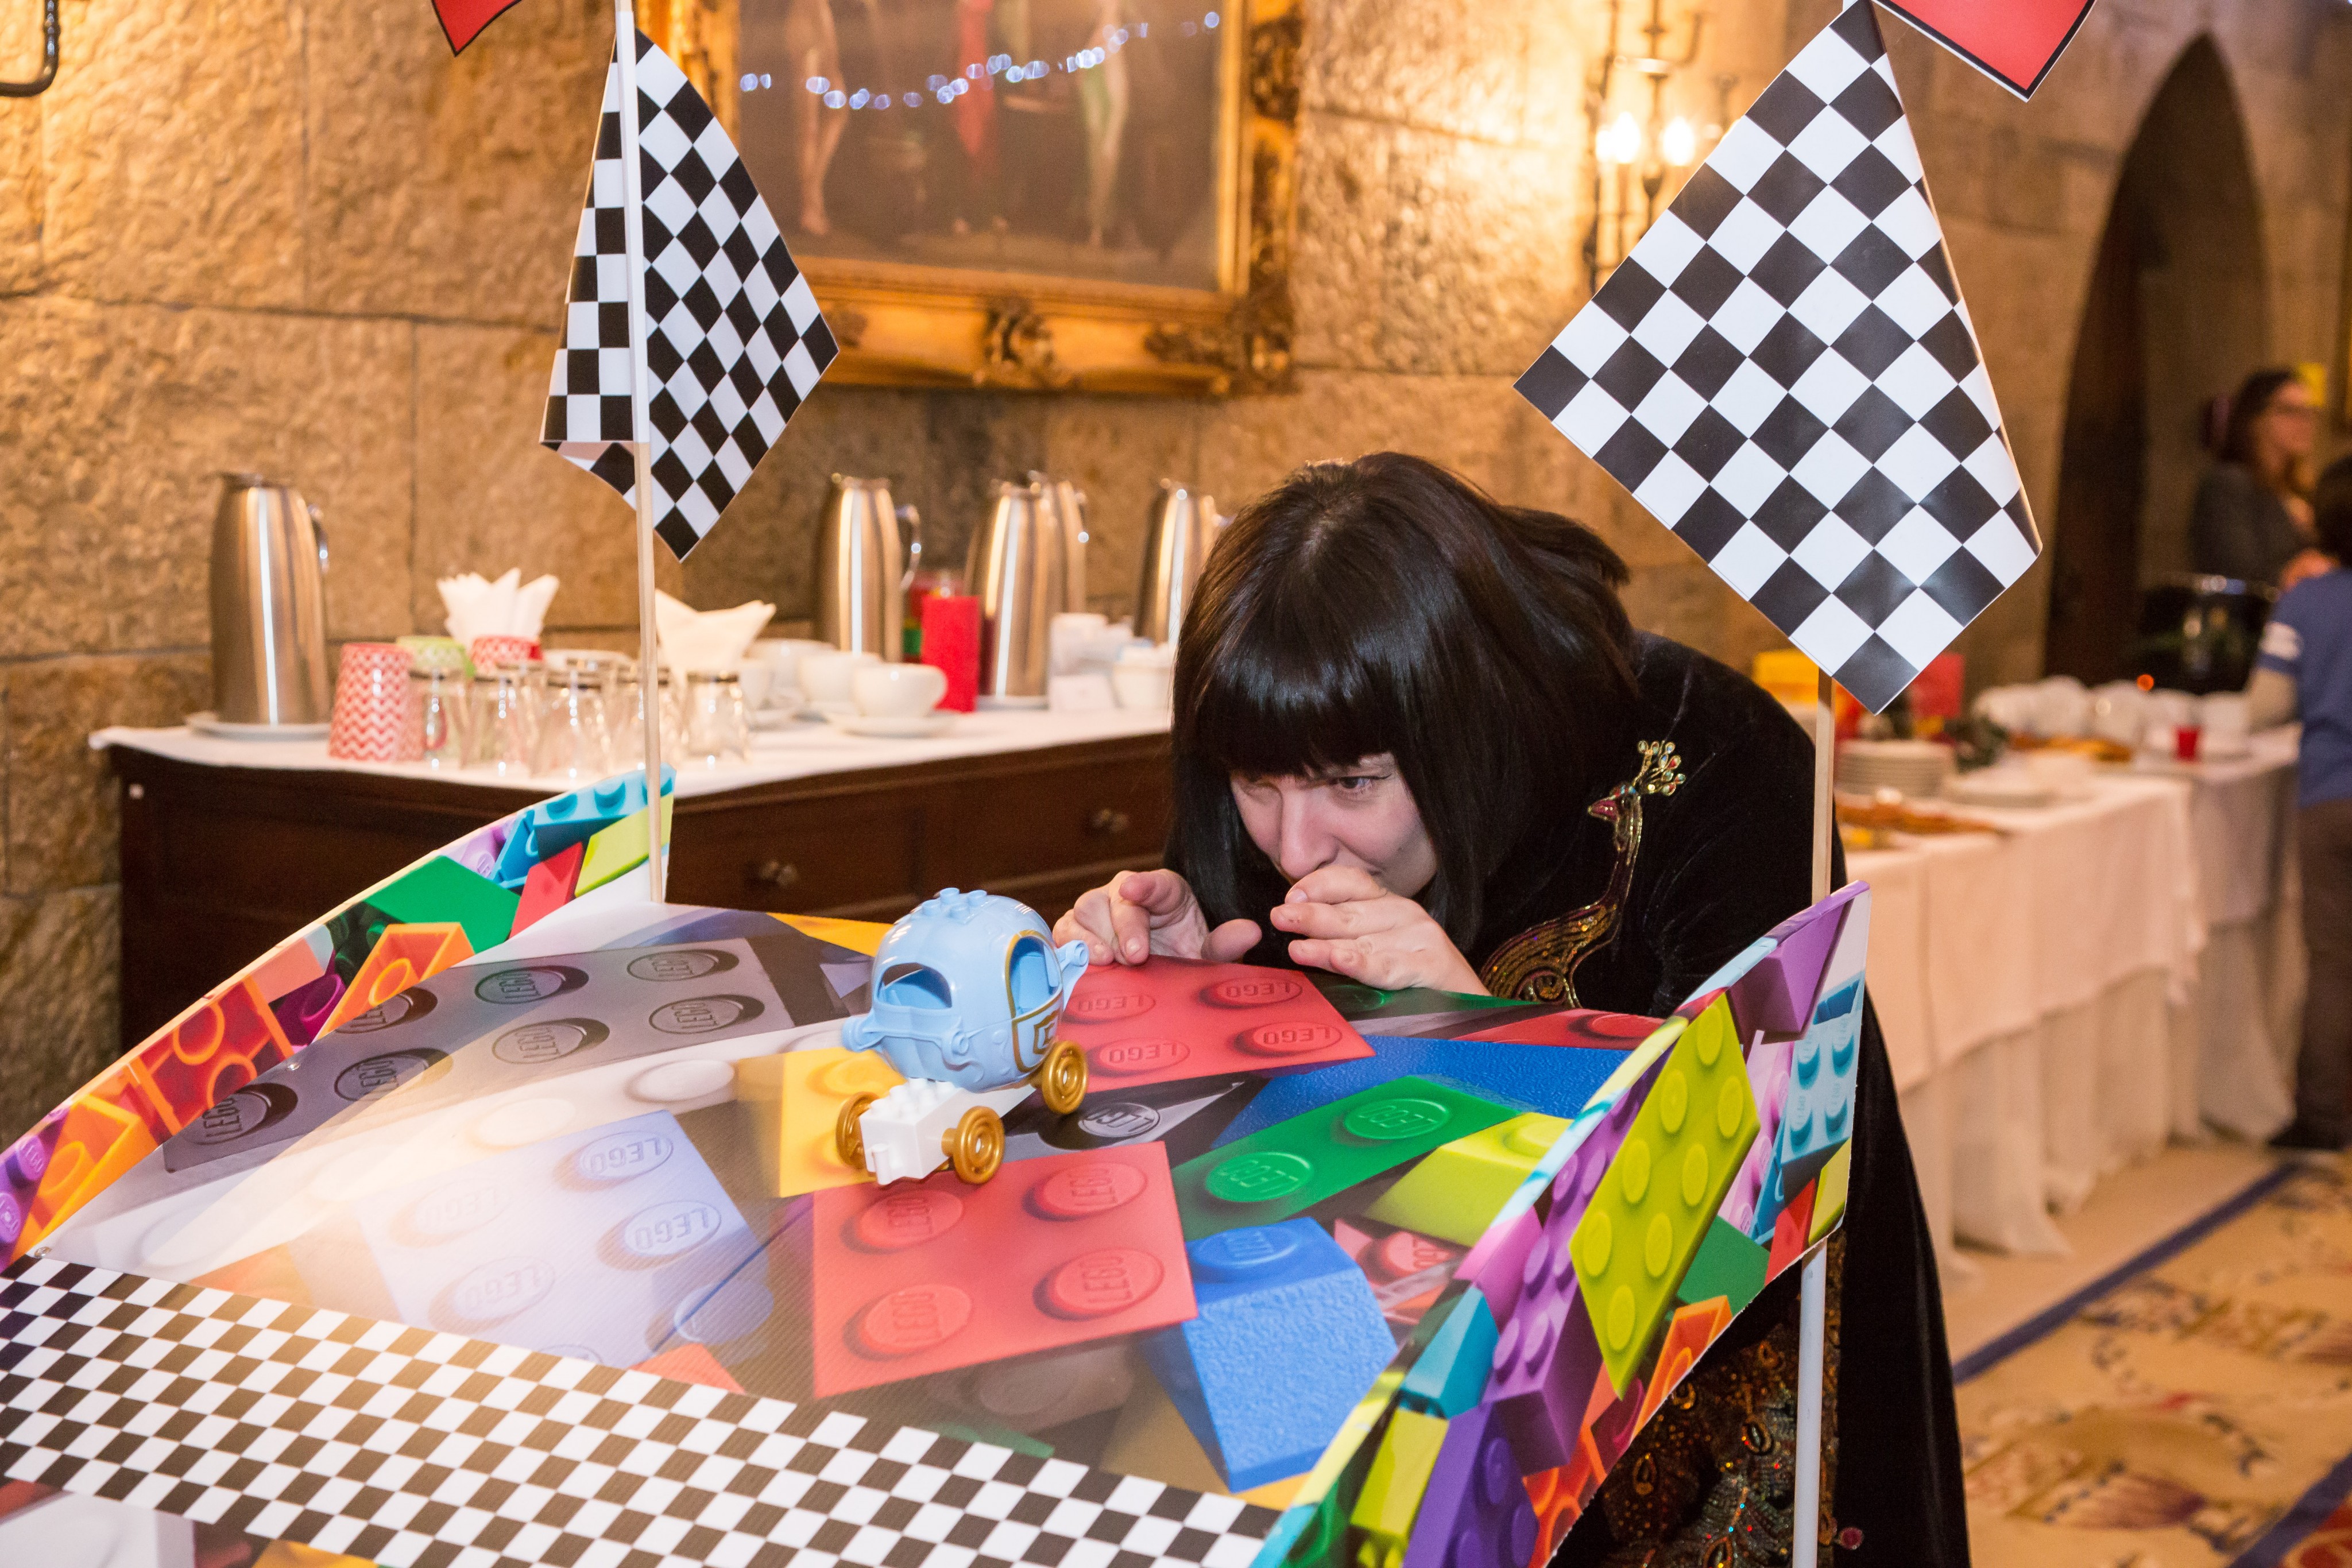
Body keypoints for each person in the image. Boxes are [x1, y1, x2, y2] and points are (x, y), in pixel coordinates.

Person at [1056, 454, 1969, 1567]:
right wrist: (1179, 997)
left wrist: (1480, 1032)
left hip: (1691, 1401)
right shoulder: (1281, 751)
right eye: (1256, 786)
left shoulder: (1716, 763)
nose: (1292, 847)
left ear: (1463, 718)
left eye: (1352, 783)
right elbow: (1253, 1163)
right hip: (1361, 1375)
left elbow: (1733, 1192)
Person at [2249, 454, 2352, 1153]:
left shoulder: (2307, 601)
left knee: (2333, 960)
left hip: (2330, 793)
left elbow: (2266, 706)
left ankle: (2320, 1115)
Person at [2189, 369, 2331, 591]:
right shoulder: (2228, 483)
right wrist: (2296, 571)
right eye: (2290, 411)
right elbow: (2234, 573)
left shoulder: (2300, 490)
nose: (2305, 422)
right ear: (2255, 419)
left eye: (2309, 412)